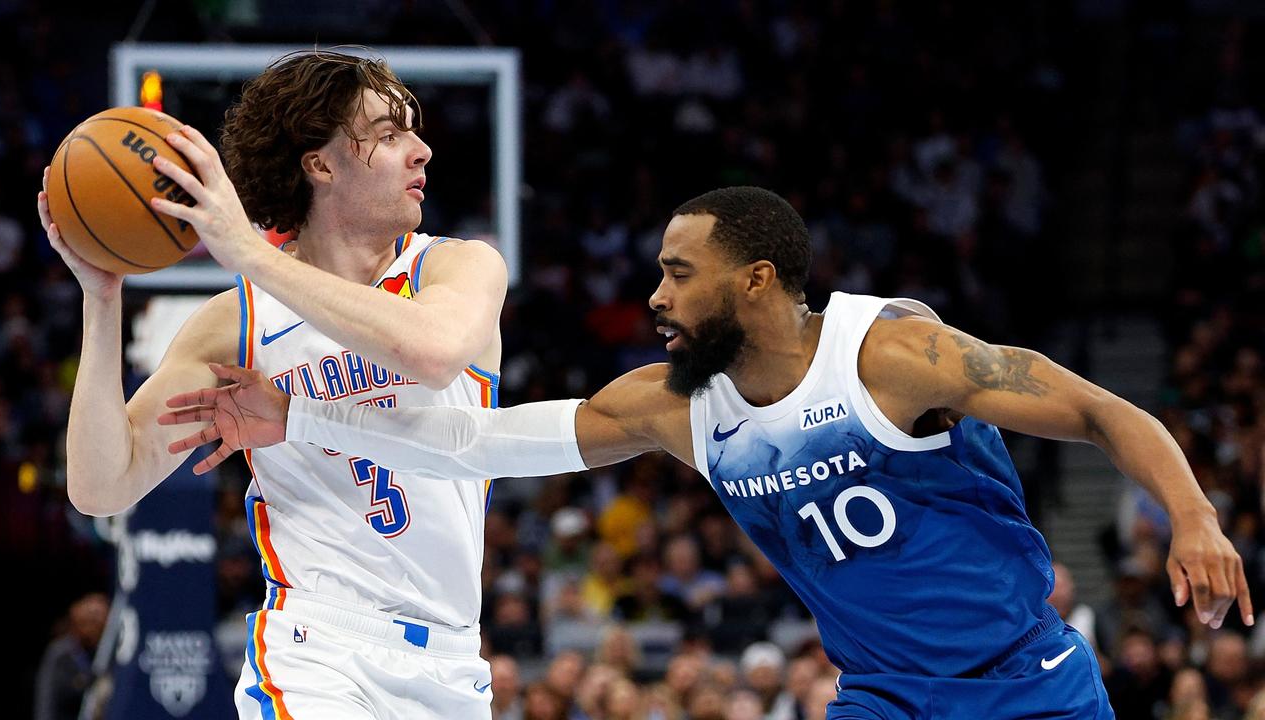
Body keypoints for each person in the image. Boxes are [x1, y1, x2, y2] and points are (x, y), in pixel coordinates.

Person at [161, 186, 1253, 719]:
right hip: (879, 697)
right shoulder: (675, 405)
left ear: (756, 281)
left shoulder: (894, 356)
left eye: (677, 273)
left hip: (1025, 683)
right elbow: (471, 441)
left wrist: (1194, 517)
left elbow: (1110, 412)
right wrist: (297, 418)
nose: (654, 295)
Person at [37, 49, 507, 718]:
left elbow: (431, 352)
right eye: (390, 132)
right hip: (317, 649)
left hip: (454, 662)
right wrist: (101, 299)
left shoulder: (457, 268)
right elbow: (101, 486)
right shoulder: (240, 320)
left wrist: (250, 252)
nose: (422, 150)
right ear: (319, 164)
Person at [33, 592, 108, 720]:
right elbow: (46, 700)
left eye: (101, 624)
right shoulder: (60, 653)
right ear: (78, 623)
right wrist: (87, 682)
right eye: (92, 622)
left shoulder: (102, 652)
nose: (96, 628)